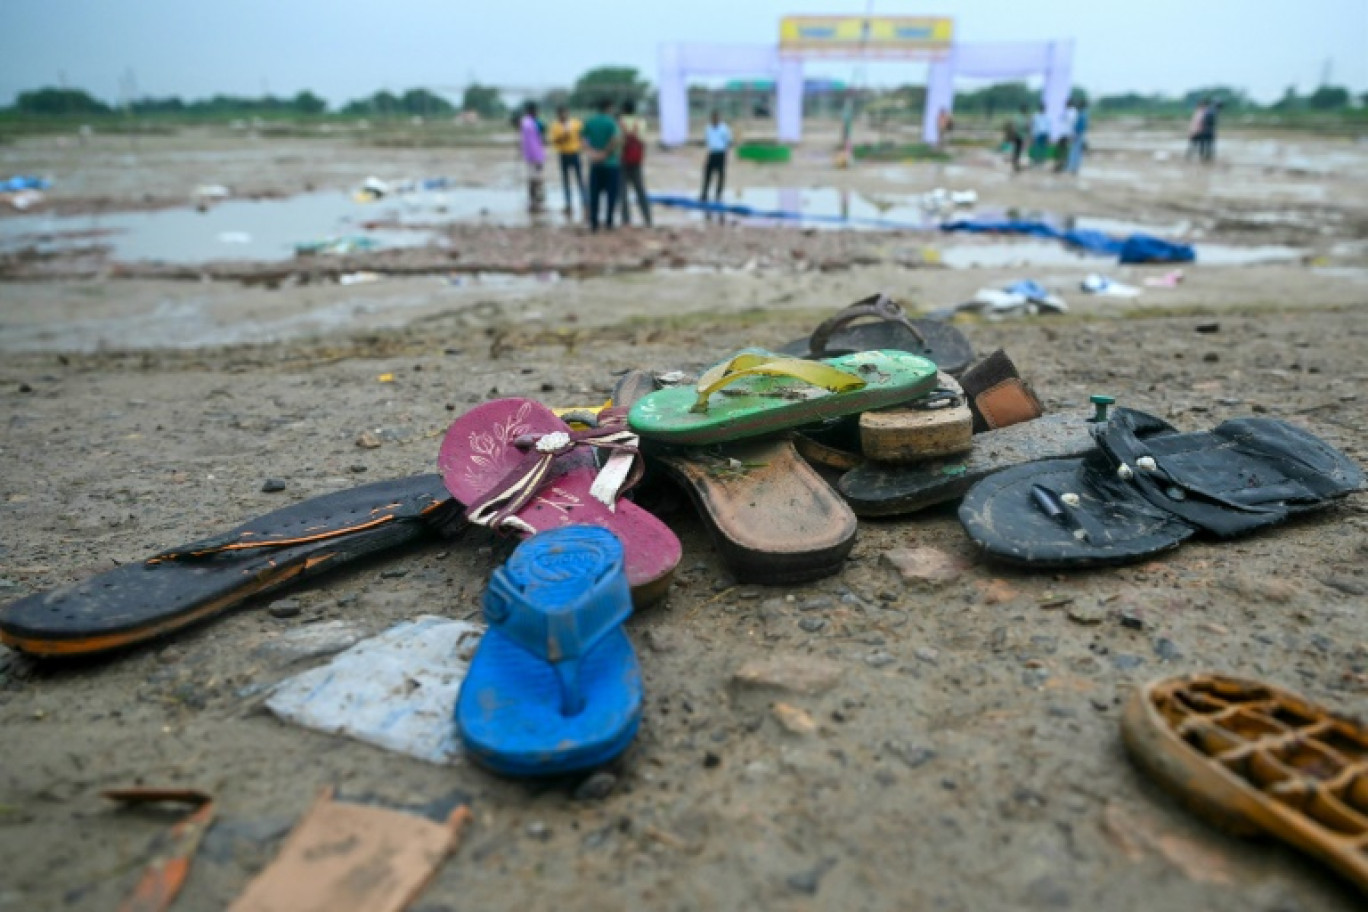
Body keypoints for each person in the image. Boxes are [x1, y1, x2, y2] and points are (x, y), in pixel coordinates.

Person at [582, 98, 622, 232]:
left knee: (594, 194)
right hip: (611, 163)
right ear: (608, 108)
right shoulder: (612, 122)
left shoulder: (590, 122)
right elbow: (615, 139)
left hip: (595, 164)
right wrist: (605, 153)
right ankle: (609, 222)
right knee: (611, 194)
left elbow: (582, 139)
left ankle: (594, 223)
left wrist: (592, 153)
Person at [617, 100, 652, 227]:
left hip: (622, 159)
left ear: (624, 109)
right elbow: (643, 142)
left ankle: (626, 219)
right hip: (636, 160)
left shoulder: (619, 122)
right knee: (640, 190)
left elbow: (618, 141)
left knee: (623, 191)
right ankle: (647, 218)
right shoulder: (641, 123)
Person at [548, 106, 585, 216]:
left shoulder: (576, 123)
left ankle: (585, 201)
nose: (563, 115)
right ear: (558, 115)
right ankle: (568, 203)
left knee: (580, 179)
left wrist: (582, 145)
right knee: (566, 180)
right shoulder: (555, 126)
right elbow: (554, 140)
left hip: (575, 153)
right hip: (563, 154)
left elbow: (583, 135)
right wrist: (564, 136)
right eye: (561, 114)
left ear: (568, 113)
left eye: (565, 113)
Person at [700, 110, 732, 215]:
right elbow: (708, 143)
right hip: (712, 153)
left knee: (720, 175)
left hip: (721, 154)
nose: (715, 120)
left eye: (716, 118)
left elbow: (728, 142)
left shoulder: (724, 128)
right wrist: (706, 157)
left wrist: (727, 155)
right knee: (707, 174)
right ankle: (704, 194)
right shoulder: (708, 129)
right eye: (713, 118)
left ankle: (718, 195)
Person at [518, 101, 546, 213]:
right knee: (537, 180)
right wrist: (539, 158)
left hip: (529, 156)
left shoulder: (525, 123)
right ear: (533, 111)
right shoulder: (532, 124)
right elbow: (535, 142)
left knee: (532, 180)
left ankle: (533, 202)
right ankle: (537, 203)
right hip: (536, 156)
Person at [1065, 99, 1089, 174]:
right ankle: (1075, 167)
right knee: (1078, 152)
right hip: (1080, 135)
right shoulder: (1084, 114)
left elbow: (1078, 126)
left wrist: (1074, 134)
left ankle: (1072, 167)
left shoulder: (1081, 114)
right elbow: (1084, 126)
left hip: (1077, 135)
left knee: (1074, 151)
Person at [1054, 99, 1078, 173]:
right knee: (1063, 149)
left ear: (1068, 104)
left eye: (1066, 104)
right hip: (1066, 134)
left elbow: (1069, 122)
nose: (1065, 105)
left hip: (1067, 134)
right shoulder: (1071, 112)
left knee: (1063, 150)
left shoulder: (1072, 112)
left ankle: (1062, 165)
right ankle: (1061, 165)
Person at [1007, 104, 1029, 172]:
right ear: (1025, 110)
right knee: (1018, 150)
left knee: (1016, 150)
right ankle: (1016, 164)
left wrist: (1013, 135)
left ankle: (1015, 163)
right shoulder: (1025, 118)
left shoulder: (1017, 117)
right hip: (1020, 136)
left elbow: (1013, 127)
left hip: (1017, 135)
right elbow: (1027, 127)